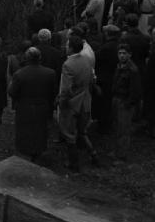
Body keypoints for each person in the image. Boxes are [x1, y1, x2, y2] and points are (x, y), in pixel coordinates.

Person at [57, 35, 99, 171]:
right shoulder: (87, 61)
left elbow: (66, 89)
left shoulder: (68, 65)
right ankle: (93, 154)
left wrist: (61, 103)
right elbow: (92, 80)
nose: (65, 47)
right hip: (85, 101)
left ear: (71, 48)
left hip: (72, 104)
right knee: (82, 132)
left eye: (67, 45)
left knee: (69, 134)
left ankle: (73, 163)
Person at [8, 47, 57, 161]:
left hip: (24, 107)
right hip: (42, 107)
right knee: (40, 130)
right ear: (40, 58)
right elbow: (53, 92)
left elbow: (11, 92)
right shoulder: (50, 73)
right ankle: (38, 150)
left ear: (26, 59)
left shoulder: (19, 74)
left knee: (26, 130)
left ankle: (25, 150)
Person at [112, 43, 142, 163]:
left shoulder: (132, 70)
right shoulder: (119, 66)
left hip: (124, 102)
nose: (122, 56)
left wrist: (128, 104)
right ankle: (117, 150)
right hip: (116, 99)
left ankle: (121, 155)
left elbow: (136, 91)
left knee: (124, 130)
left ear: (130, 54)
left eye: (124, 53)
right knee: (117, 127)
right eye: (120, 53)